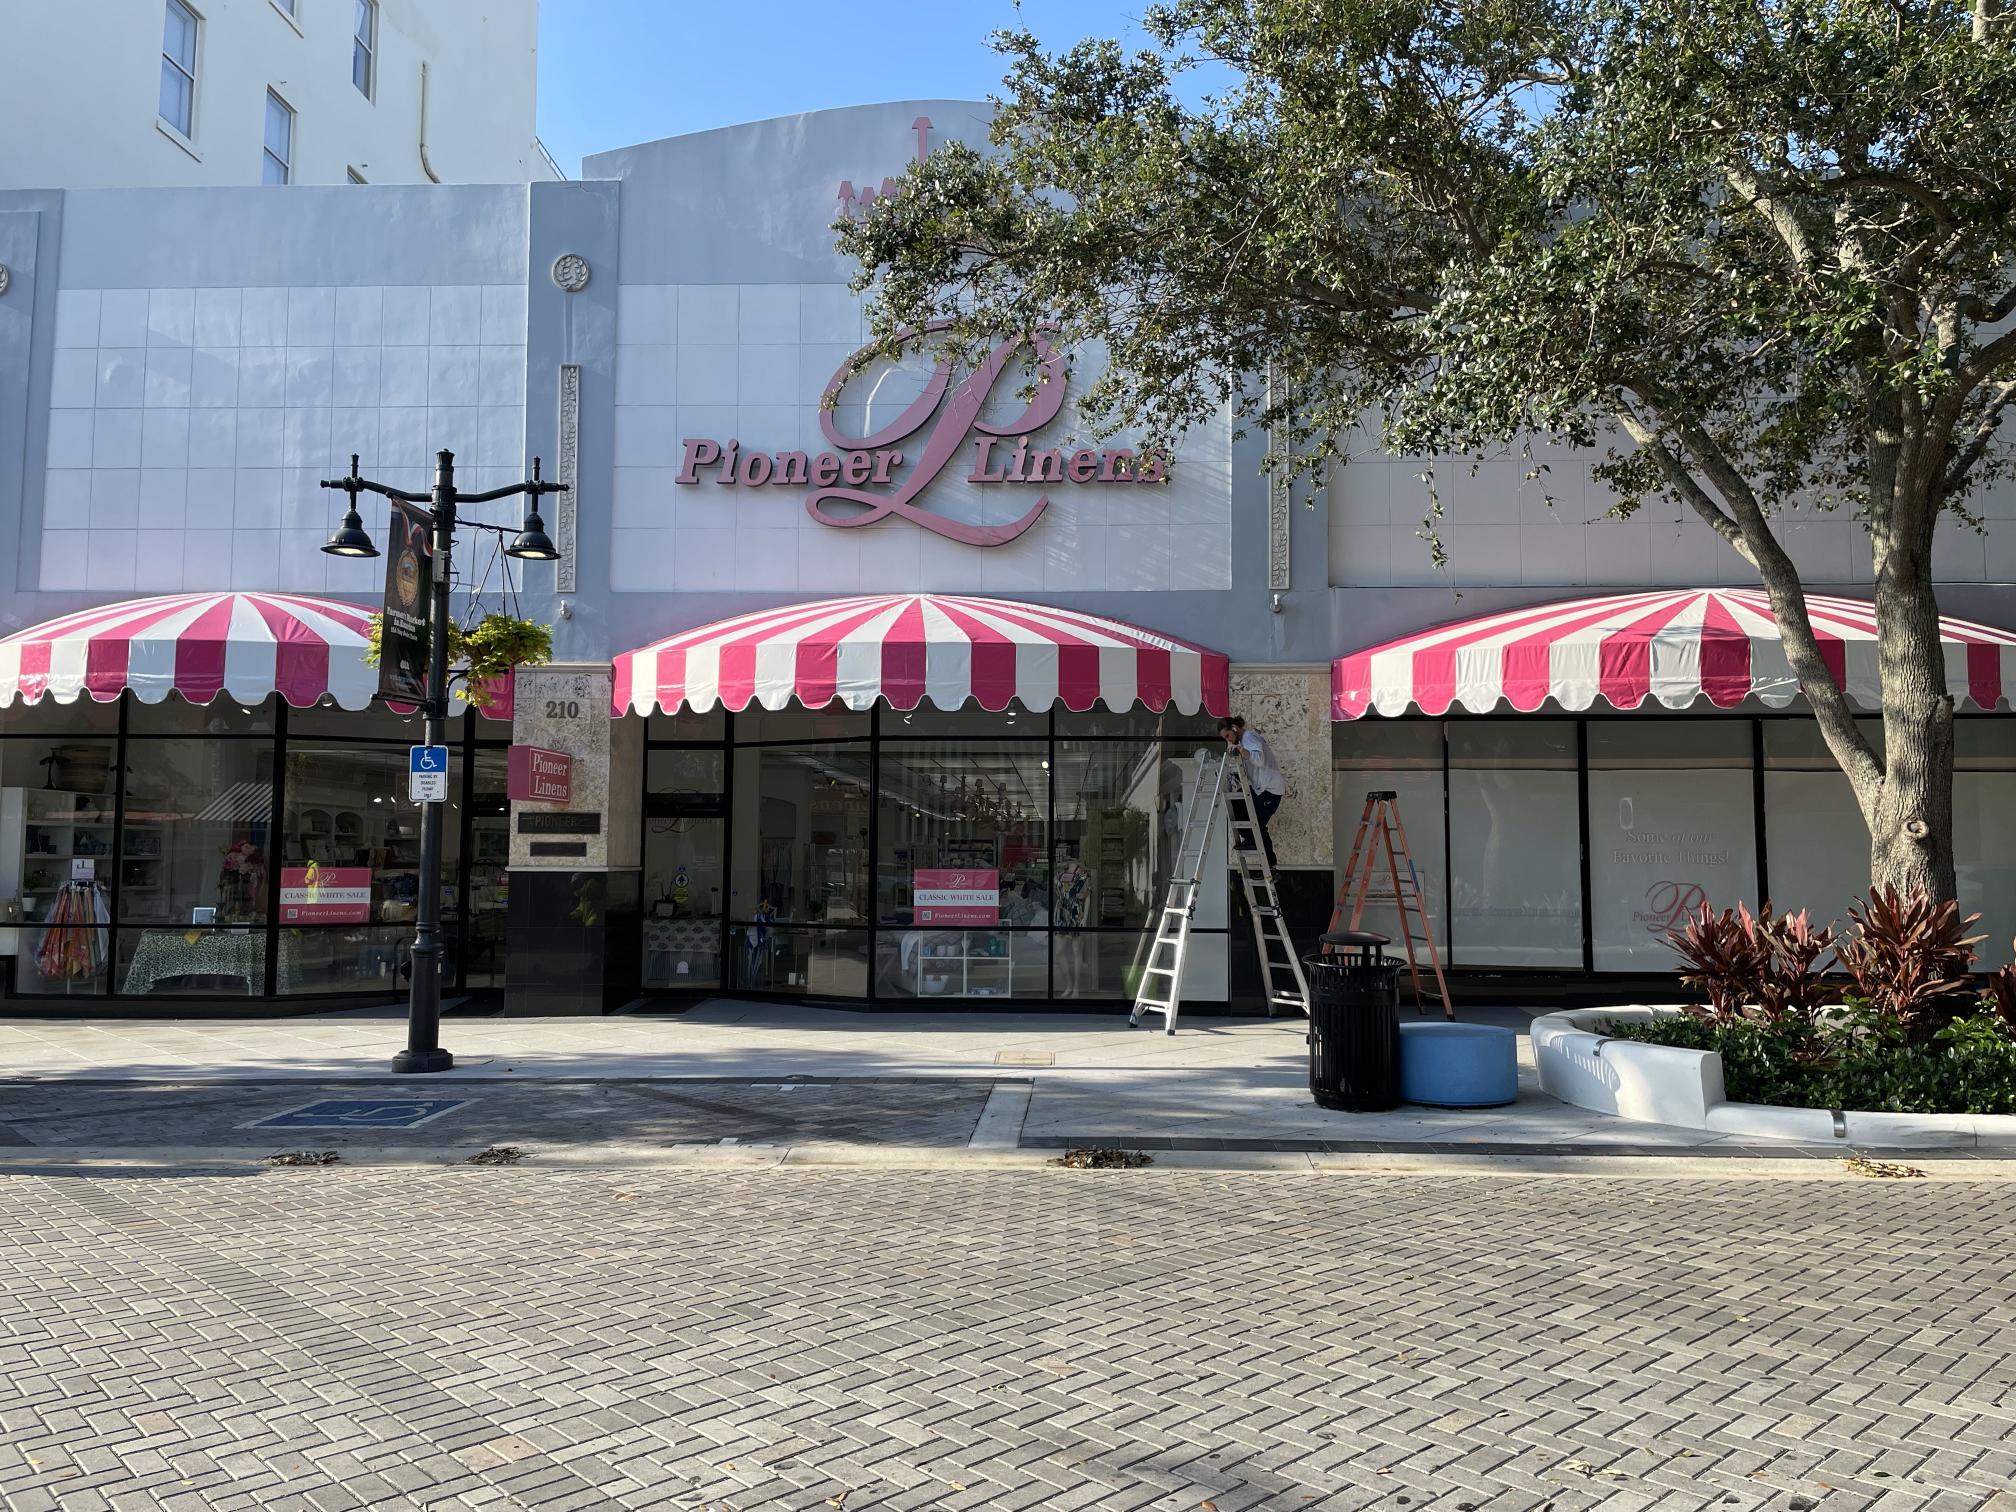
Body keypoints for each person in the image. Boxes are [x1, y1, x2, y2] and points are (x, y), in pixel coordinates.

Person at [1219, 715, 1284, 869]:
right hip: (1259, 789)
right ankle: (1250, 839)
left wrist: (1242, 751)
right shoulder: (1243, 741)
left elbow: (1258, 760)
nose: (1228, 740)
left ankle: (1271, 867)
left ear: (1234, 728)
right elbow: (1250, 771)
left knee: (1258, 824)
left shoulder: (1249, 737)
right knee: (1236, 803)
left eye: (1228, 735)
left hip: (1270, 791)